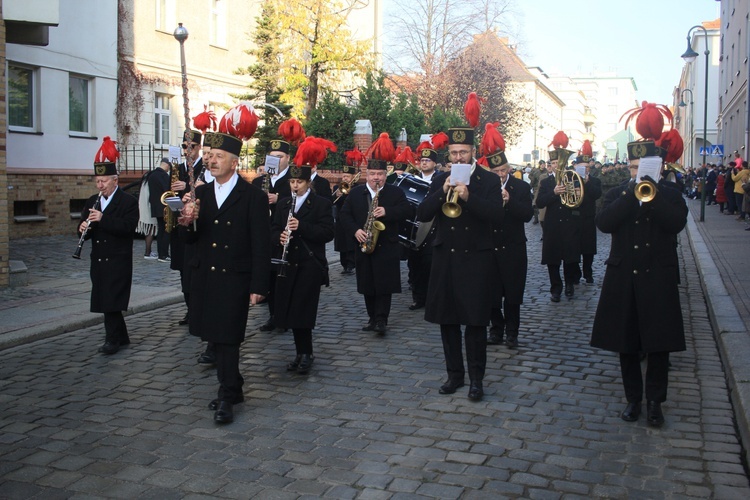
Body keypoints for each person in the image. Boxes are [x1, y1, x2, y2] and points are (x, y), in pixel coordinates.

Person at [591, 133, 688, 428]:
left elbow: (676, 223)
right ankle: (633, 399)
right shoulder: (618, 193)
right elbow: (605, 223)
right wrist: (630, 194)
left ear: (658, 167)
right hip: (624, 275)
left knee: (659, 344)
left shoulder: (670, 193)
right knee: (627, 342)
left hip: (658, 274)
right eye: (633, 168)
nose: (638, 173)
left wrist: (654, 196)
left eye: (643, 167)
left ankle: (655, 402)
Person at [180, 125, 271, 425]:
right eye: (209, 155)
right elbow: (191, 241)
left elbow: (261, 243)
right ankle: (235, 385)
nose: (211, 160)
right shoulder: (200, 193)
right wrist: (188, 221)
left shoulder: (252, 197)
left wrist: (259, 284)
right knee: (213, 337)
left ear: (234, 162)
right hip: (205, 275)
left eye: (219, 156)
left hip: (235, 277)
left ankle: (226, 395)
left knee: (228, 337)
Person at [416, 119, 504, 401]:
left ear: (473, 152)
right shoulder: (442, 179)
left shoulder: (488, 180)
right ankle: (455, 375)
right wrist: (442, 192)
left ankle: (477, 380)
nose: (458, 158)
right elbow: (423, 214)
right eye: (453, 153)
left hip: (477, 261)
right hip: (447, 259)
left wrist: (468, 197)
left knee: (476, 323)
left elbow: (496, 216)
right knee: (448, 321)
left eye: (463, 153)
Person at [272, 140, 335, 374]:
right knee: (289, 309)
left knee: (303, 311)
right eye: (292, 182)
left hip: (309, 265)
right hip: (287, 264)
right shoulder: (283, 203)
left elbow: (328, 233)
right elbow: (273, 228)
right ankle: (299, 352)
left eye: (299, 182)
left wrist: (302, 226)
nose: (294, 186)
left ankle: (306, 353)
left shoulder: (320, 204)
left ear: (308, 183)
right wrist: (278, 236)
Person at [339, 133, 411, 335]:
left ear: (385, 174)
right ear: (367, 174)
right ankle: (372, 317)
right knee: (367, 284)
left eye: (380, 174)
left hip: (387, 245)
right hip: (363, 244)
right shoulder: (355, 193)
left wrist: (388, 212)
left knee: (384, 285)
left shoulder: (395, 193)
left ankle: (381, 319)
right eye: (372, 174)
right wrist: (356, 230)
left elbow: (407, 211)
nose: (376, 178)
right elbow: (344, 216)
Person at [78, 137, 139, 355]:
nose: (100, 185)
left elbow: (129, 227)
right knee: (105, 297)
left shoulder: (128, 201)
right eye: (97, 181)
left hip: (118, 257)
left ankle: (112, 340)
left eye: (104, 181)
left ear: (115, 180)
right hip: (99, 257)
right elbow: (83, 228)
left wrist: (103, 219)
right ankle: (121, 337)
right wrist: (83, 228)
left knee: (111, 299)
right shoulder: (93, 200)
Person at [481, 124, 533, 349]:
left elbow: (527, 215)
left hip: (513, 248)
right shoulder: (484, 188)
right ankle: (496, 329)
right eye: (496, 172)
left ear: (509, 168)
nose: (500, 175)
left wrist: (509, 200)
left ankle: (512, 333)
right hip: (491, 247)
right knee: (491, 293)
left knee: (513, 294)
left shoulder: (521, 187)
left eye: (503, 170)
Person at [253, 136, 292, 332]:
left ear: (288, 158)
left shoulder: (293, 179)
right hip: (264, 235)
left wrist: (279, 198)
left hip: (286, 235)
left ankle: (284, 316)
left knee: (283, 279)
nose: (275, 160)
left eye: (280, 156)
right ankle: (273, 316)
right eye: (272, 156)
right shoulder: (259, 181)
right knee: (268, 277)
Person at [536, 133, 582, 302]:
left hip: (570, 223)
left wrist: (574, 191)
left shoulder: (572, 178)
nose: (556, 165)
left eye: (558, 162)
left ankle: (569, 284)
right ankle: (556, 288)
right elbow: (540, 202)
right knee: (552, 259)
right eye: (554, 163)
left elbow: (579, 201)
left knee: (570, 258)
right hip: (552, 224)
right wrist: (554, 193)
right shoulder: (546, 183)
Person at [171, 129, 204, 325]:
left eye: (191, 147)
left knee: (193, 270)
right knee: (183, 272)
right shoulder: (178, 168)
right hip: (178, 226)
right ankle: (189, 308)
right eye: (184, 146)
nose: (187, 150)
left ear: (198, 148)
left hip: (193, 227)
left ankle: (196, 309)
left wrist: (184, 187)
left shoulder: (203, 168)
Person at [574, 144, 603, 284]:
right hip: (573, 217)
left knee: (588, 248)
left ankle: (588, 272)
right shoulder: (571, 179)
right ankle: (575, 273)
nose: (585, 169)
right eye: (582, 167)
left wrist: (587, 183)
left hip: (588, 217)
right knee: (574, 248)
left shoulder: (595, 180)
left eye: (587, 167)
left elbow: (597, 194)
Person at [333, 162, 360, 275]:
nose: (345, 178)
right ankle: (344, 264)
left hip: (352, 219)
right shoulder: (337, 187)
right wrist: (336, 195)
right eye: (343, 176)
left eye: (347, 176)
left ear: (353, 177)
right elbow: (331, 201)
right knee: (342, 242)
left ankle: (351, 264)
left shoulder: (356, 188)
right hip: (340, 219)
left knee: (351, 242)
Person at [147, 157, 172, 262]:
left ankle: (160, 253)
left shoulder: (152, 175)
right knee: (167, 231)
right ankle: (164, 254)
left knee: (161, 230)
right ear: (166, 165)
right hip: (164, 206)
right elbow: (168, 190)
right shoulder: (163, 175)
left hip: (155, 207)